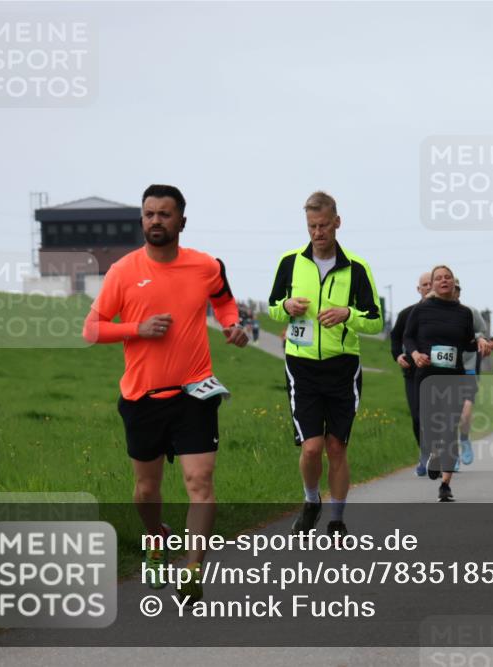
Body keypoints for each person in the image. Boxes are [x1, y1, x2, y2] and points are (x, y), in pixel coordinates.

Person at [83, 184, 248, 603]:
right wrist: (135, 329)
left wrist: (232, 325)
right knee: (145, 492)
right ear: (142, 220)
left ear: (182, 221)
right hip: (142, 397)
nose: (156, 220)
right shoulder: (123, 271)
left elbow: (224, 301)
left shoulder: (205, 266)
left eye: (165, 214)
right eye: (149, 214)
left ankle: (193, 570)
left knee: (200, 482)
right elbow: (92, 328)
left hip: (196, 392)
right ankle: (157, 537)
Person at [267, 191, 382, 538]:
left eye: (323, 225)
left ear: (337, 222)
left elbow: (375, 321)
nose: (318, 233)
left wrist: (348, 315)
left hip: (343, 367)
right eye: (312, 226)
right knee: (312, 447)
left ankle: (337, 519)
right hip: (301, 366)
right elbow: (272, 307)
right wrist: (286, 307)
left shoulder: (357, 268)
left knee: (336, 447)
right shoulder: (290, 262)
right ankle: (311, 499)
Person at [403, 265, 478, 502]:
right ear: (433, 284)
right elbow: (408, 336)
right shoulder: (421, 309)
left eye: (448, 278)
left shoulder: (464, 313)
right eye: (439, 278)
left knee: (449, 427)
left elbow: (467, 343)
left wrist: (481, 342)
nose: (444, 281)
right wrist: (414, 355)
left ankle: (445, 484)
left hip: (453, 376)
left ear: (454, 283)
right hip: (427, 375)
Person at [390, 271, 432, 476]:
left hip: (439, 372)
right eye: (424, 284)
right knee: (418, 416)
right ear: (419, 289)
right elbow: (396, 337)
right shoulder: (407, 313)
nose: (428, 287)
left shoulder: (448, 312)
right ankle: (425, 453)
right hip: (413, 372)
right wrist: (398, 356)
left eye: (431, 283)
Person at [456, 280, 491, 467]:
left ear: (459, 291)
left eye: (456, 289)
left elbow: (482, 332)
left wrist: (480, 339)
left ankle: (464, 438)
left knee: (465, 413)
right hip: (443, 371)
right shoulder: (435, 313)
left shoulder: (470, 312)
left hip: (468, 368)